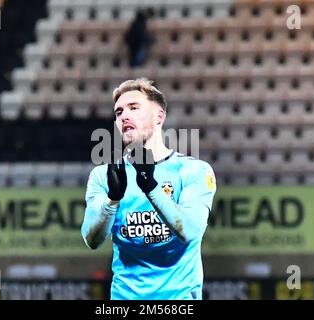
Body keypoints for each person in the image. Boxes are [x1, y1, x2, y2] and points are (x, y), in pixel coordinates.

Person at [81, 78, 217, 300]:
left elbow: (191, 231)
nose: (124, 116)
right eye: (118, 112)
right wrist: (112, 199)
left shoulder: (193, 170)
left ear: (159, 116)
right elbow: (92, 240)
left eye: (134, 108)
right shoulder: (105, 176)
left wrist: (151, 188)